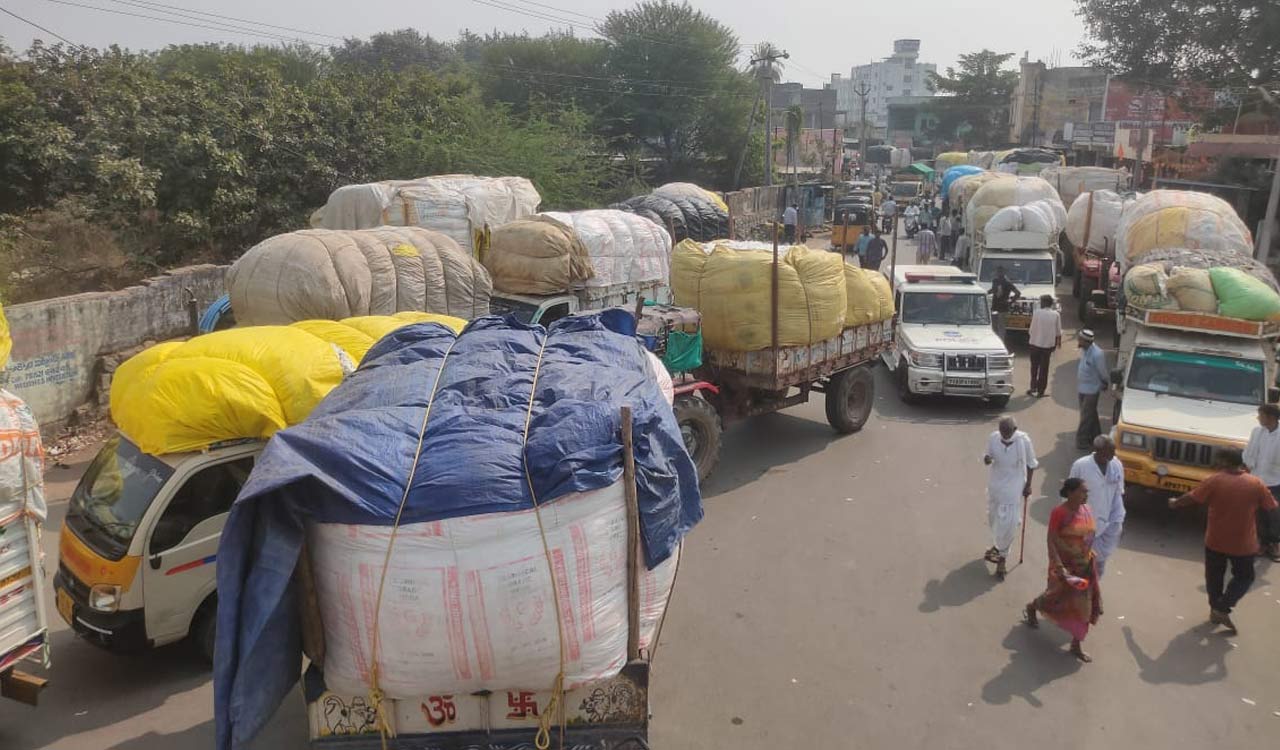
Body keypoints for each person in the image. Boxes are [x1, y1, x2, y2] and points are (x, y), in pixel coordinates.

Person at [1169, 447, 1279, 633]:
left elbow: (1192, 498)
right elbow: (1271, 508)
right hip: (1243, 544)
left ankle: (1217, 608)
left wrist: (1175, 503)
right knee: (1244, 577)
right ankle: (1222, 607)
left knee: (1214, 577)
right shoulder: (1256, 484)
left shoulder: (1215, 481)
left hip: (1215, 541)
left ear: (1225, 461)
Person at [1024, 477, 1102, 663]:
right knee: (1055, 597)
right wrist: (1059, 565)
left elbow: (1089, 535)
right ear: (1070, 493)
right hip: (1064, 566)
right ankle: (1033, 606)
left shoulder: (1087, 510)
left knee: (1085, 606)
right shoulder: (1059, 513)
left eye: (1086, 492)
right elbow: (1051, 538)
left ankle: (1076, 644)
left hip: (1083, 566)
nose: (1086, 495)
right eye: (1082, 491)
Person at [983, 417, 1038, 579]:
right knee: (994, 519)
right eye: (1002, 432)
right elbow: (988, 456)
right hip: (996, 484)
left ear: (1015, 429)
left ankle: (1002, 558)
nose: (1004, 435)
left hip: (1014, 485)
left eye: (1007, 432)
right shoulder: (993, 437)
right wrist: (987, 459)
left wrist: (1028, 485)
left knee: (1009, 522)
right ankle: (997, 545)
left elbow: (1031, 464)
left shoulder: (1023, 441)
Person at [1069, 436, 1125, 576]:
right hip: (1084, 524)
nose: (1113, 454)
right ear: (1098, 451)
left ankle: (1090, 593)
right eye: (1110, 451)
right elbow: (1069, 495)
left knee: (1098, 566)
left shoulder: (1117, 465)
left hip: (1107, 525)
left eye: (1114, 450)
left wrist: (1118, 523)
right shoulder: (1081, 466)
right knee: (1080, 565)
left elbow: (1118, 494)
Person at [1242, 403, 1280, 562]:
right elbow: (1248, 452)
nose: (1258, 418)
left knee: (1274, 514)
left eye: (1261, 415)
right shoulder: (1257, 432)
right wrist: (1250, 466)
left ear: (1270, 418)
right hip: (1256, 480)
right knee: (1258, 514)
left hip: (1275, 482)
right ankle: (1263, 543)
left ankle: (1275, 543)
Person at [1076, 329, 1110, 450]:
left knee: (1085, 417)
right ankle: (1097, 436)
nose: (1078, 341)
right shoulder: (1085, 350)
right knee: (1091, 414)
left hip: (1092, 390)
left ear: (1087, 342)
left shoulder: (1097, 354)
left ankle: (1082, 441)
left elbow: (1103, 372)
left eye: (1080, 339)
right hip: (1082, 388)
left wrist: (1105, 382)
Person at [1026, 295, 1061, 397]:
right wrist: (1058, 343)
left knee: (1034, 367)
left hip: (1035, 344)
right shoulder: (1056, 315)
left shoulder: (1037, 313)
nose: (1040, 303)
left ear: (1044, 303)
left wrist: (1034, 338)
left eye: (1041, 302)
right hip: (1048, 347)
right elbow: (1058, 332)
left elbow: (1031, 330)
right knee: (1044, 369)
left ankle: (1033, 388)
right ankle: (1041, 391)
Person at [987, 266, 1021, 341]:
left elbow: (1018, 293)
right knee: (994, 325)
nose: (999, 273)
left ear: (1004, 273)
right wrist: (986, 293)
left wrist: (1010, 302)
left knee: (1001, 326)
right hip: (995, 305)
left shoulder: (1008, 283)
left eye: (1001, 272)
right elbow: (993, 289)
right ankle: (994, 340)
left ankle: (1001, 341)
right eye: (998, 272)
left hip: (1003, 307)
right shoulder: (995, 281)